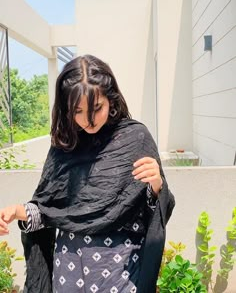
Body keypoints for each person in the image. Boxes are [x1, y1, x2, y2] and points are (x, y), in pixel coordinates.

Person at [0, 55, 175, 293]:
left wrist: (156, 185)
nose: (88, 119)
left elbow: (151, 212)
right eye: (78, 111)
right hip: (68, 274)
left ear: (111, 100)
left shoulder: (135, 139)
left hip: (120, 274)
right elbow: (50, 211)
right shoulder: (64, 146)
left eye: (97, 108)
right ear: (66, 109)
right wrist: (16, 211)